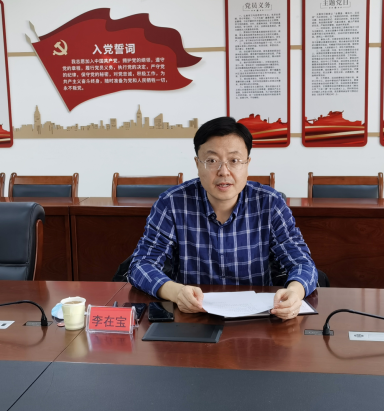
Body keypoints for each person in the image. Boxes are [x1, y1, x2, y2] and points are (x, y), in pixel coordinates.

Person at [128, 117, 318, 320]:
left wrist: (295, 292)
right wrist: (176, 292)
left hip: (258, 320)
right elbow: (140, 266)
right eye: (212, 161)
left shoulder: (270, 203)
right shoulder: (172, 203)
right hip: (192, 317)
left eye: (234, 161)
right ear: (197, 164)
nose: (223, 171)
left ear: (247, 164)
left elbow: (303, 264)